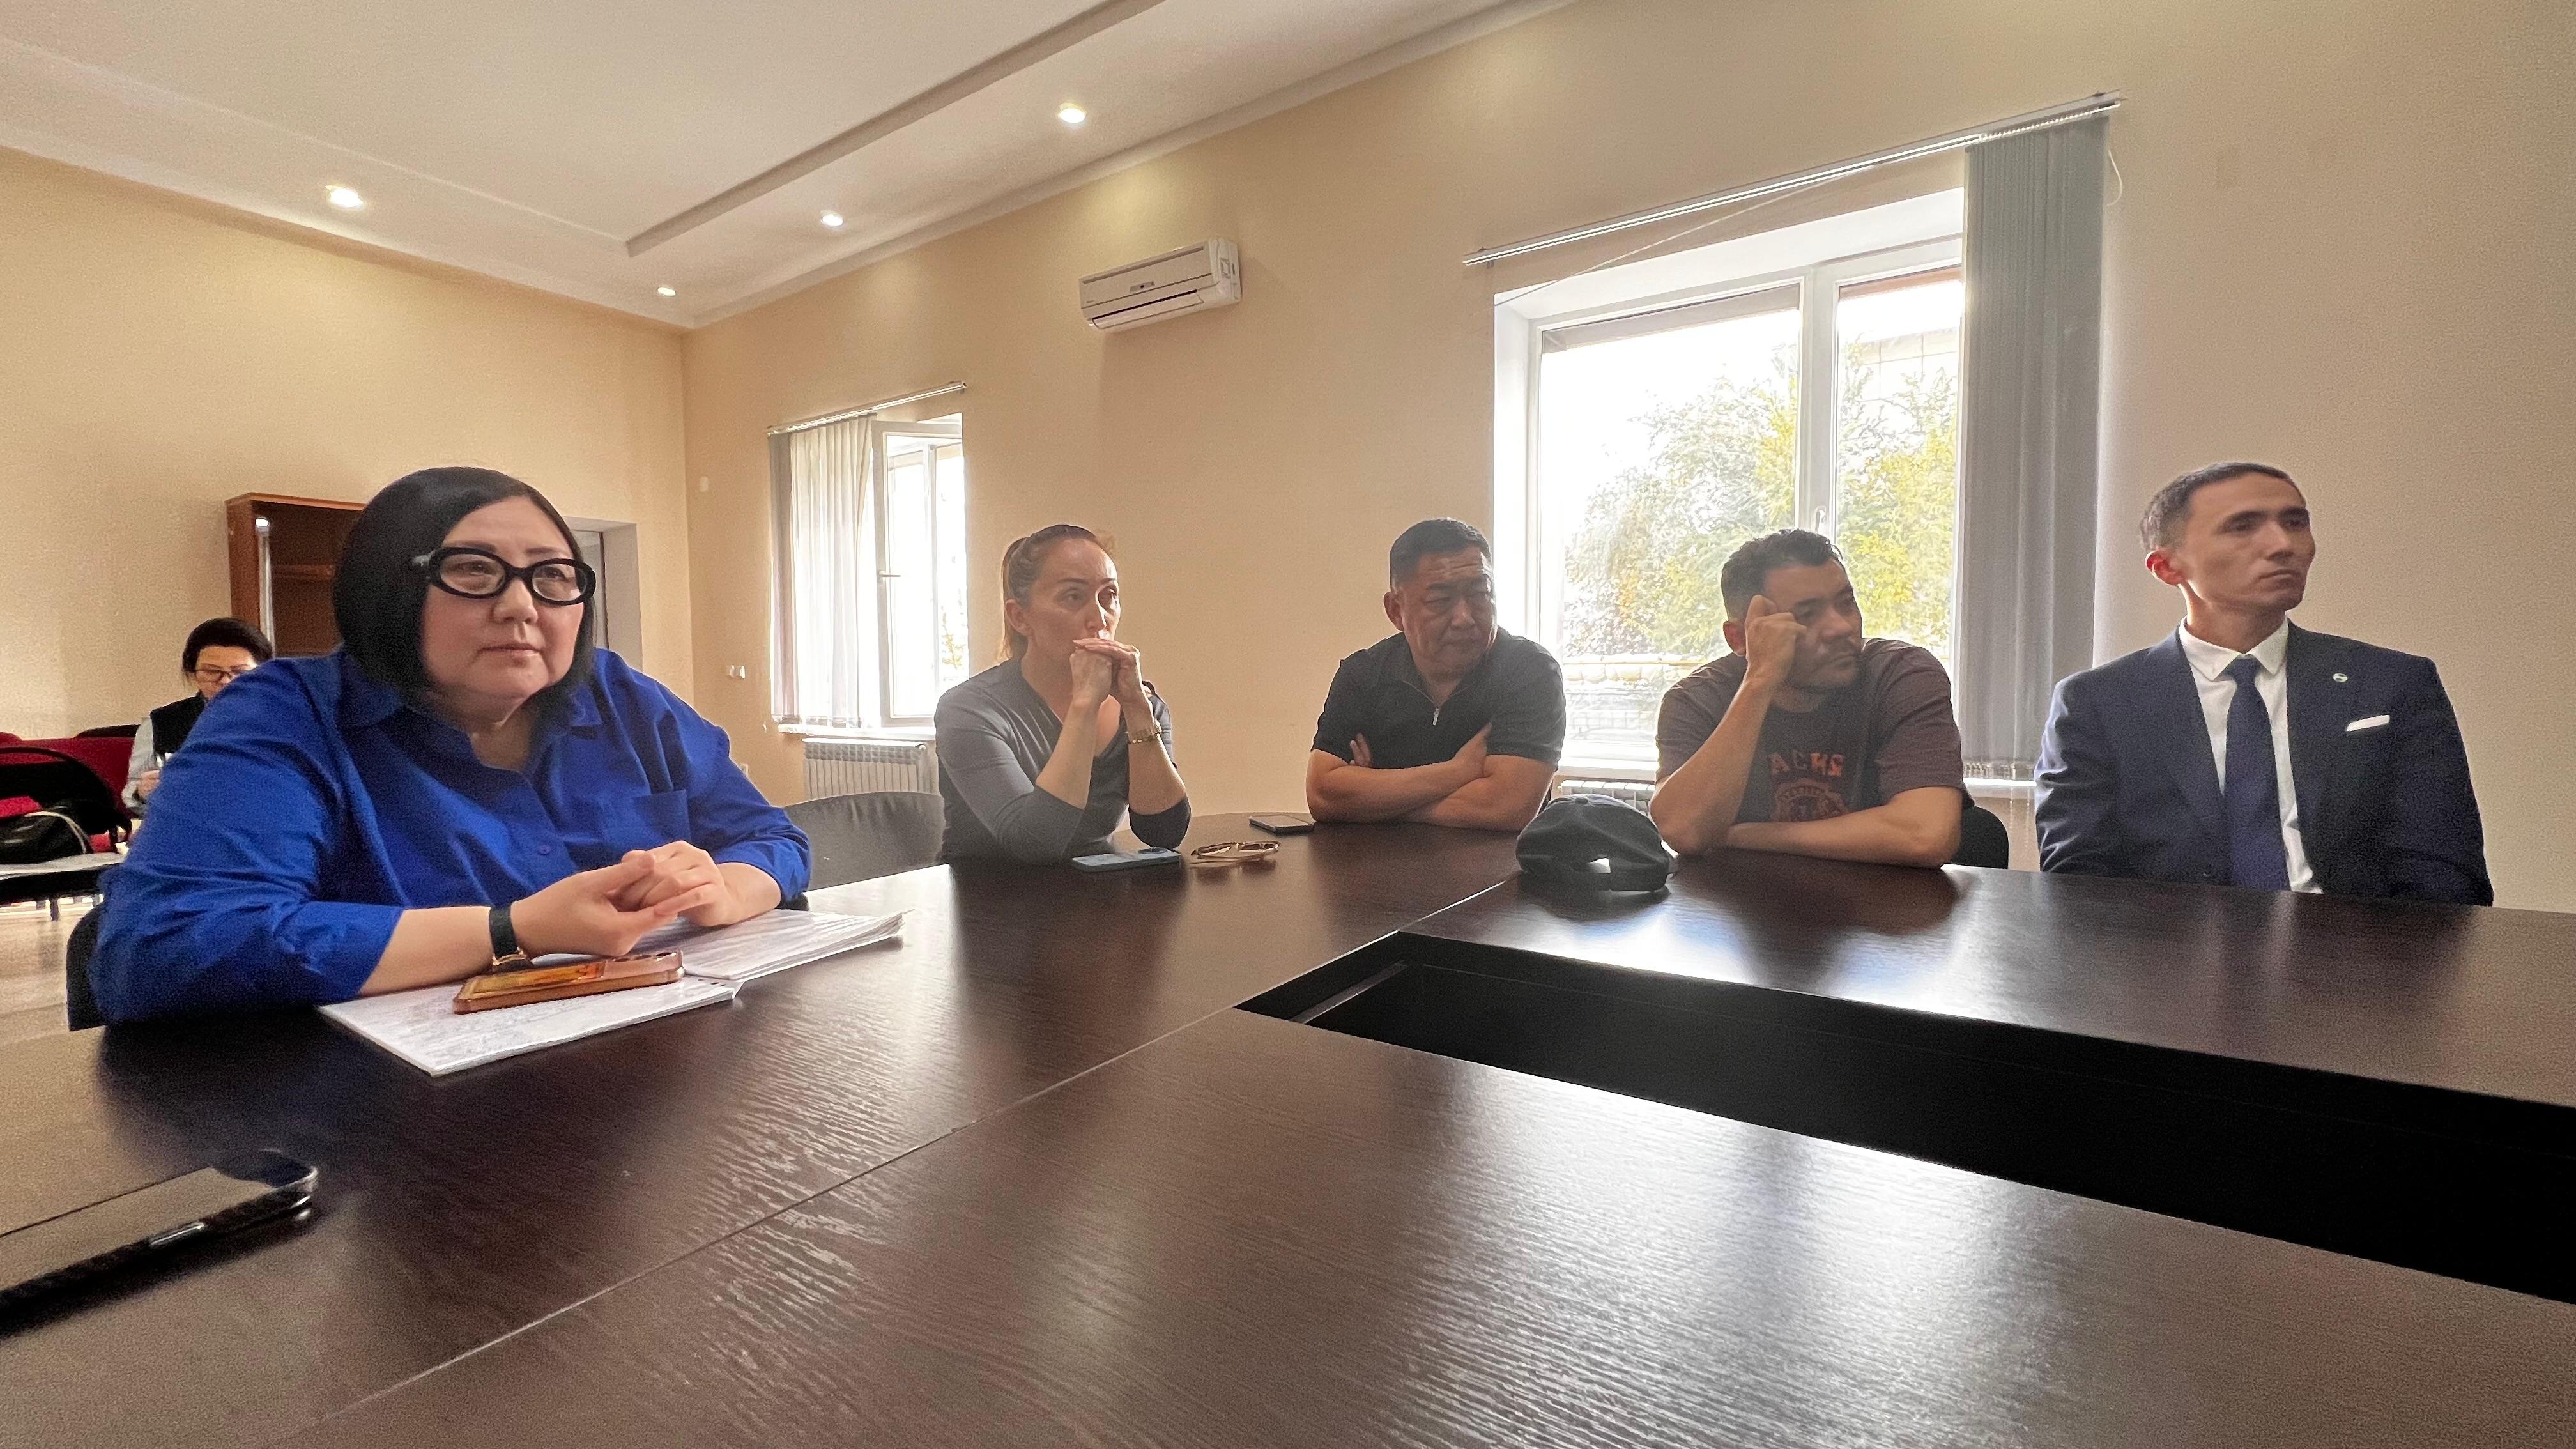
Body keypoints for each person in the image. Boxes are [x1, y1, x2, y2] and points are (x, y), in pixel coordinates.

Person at [90, 467, 809, 1021]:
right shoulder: (287, 713)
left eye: (553, 576)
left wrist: (722, 890)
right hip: (372, 1118)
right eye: (473, 570)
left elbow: (771, 838)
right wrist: (512, 930)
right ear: (387, 592)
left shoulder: (622, 695)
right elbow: (164, 949)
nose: (522, 606)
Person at [2035, 462, 2488, 902]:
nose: (2282, 545)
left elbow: (2445, 872)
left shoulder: (2391, 683)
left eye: (2295, 522)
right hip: (2170, 946)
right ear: (2168, 568)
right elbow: (2080, 886)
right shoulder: (2098, 702)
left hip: (2359, 944)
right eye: (2242, 527)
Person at [1648, 529, 1965, 866]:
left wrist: (1735, 835)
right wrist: (1759, 680)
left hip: (1883, 898)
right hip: (1746, 897)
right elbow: (1684, 830)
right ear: (1739, 638)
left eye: (1846, 603)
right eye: (1806, 615)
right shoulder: (1697, 698)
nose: (1841, 628)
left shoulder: (1901, 675)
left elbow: (1925, 836)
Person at [935, 523, 1190, 862]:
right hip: (987, 892)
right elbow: (1034, 844)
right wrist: (1084, 707)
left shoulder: (1144, 708)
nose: (1099, 618)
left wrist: (1137, 708)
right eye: (1073, 597)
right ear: (1020, 617)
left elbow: (1164, 835)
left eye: (1108, 596)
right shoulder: (968, 709)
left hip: (1093, 888)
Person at [1305, 519, 1564, 832]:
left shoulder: (1529, 672)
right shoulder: (1363, 674)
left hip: (1495, 863)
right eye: (1441, 601)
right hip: (1373, 861)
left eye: (1480, 593)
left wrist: (1373, 799)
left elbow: (1506, 807)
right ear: (1396, 611)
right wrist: (1461, 770)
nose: (1464, 618)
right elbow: (1323, 794)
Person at [124, 617, 275, 814]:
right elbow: (132, 795)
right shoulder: (161, 722)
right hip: (188, 823)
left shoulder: (286, 720)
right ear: (193, 674)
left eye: (239, 672)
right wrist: (142, 793)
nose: (225, 681)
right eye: (212, 671)